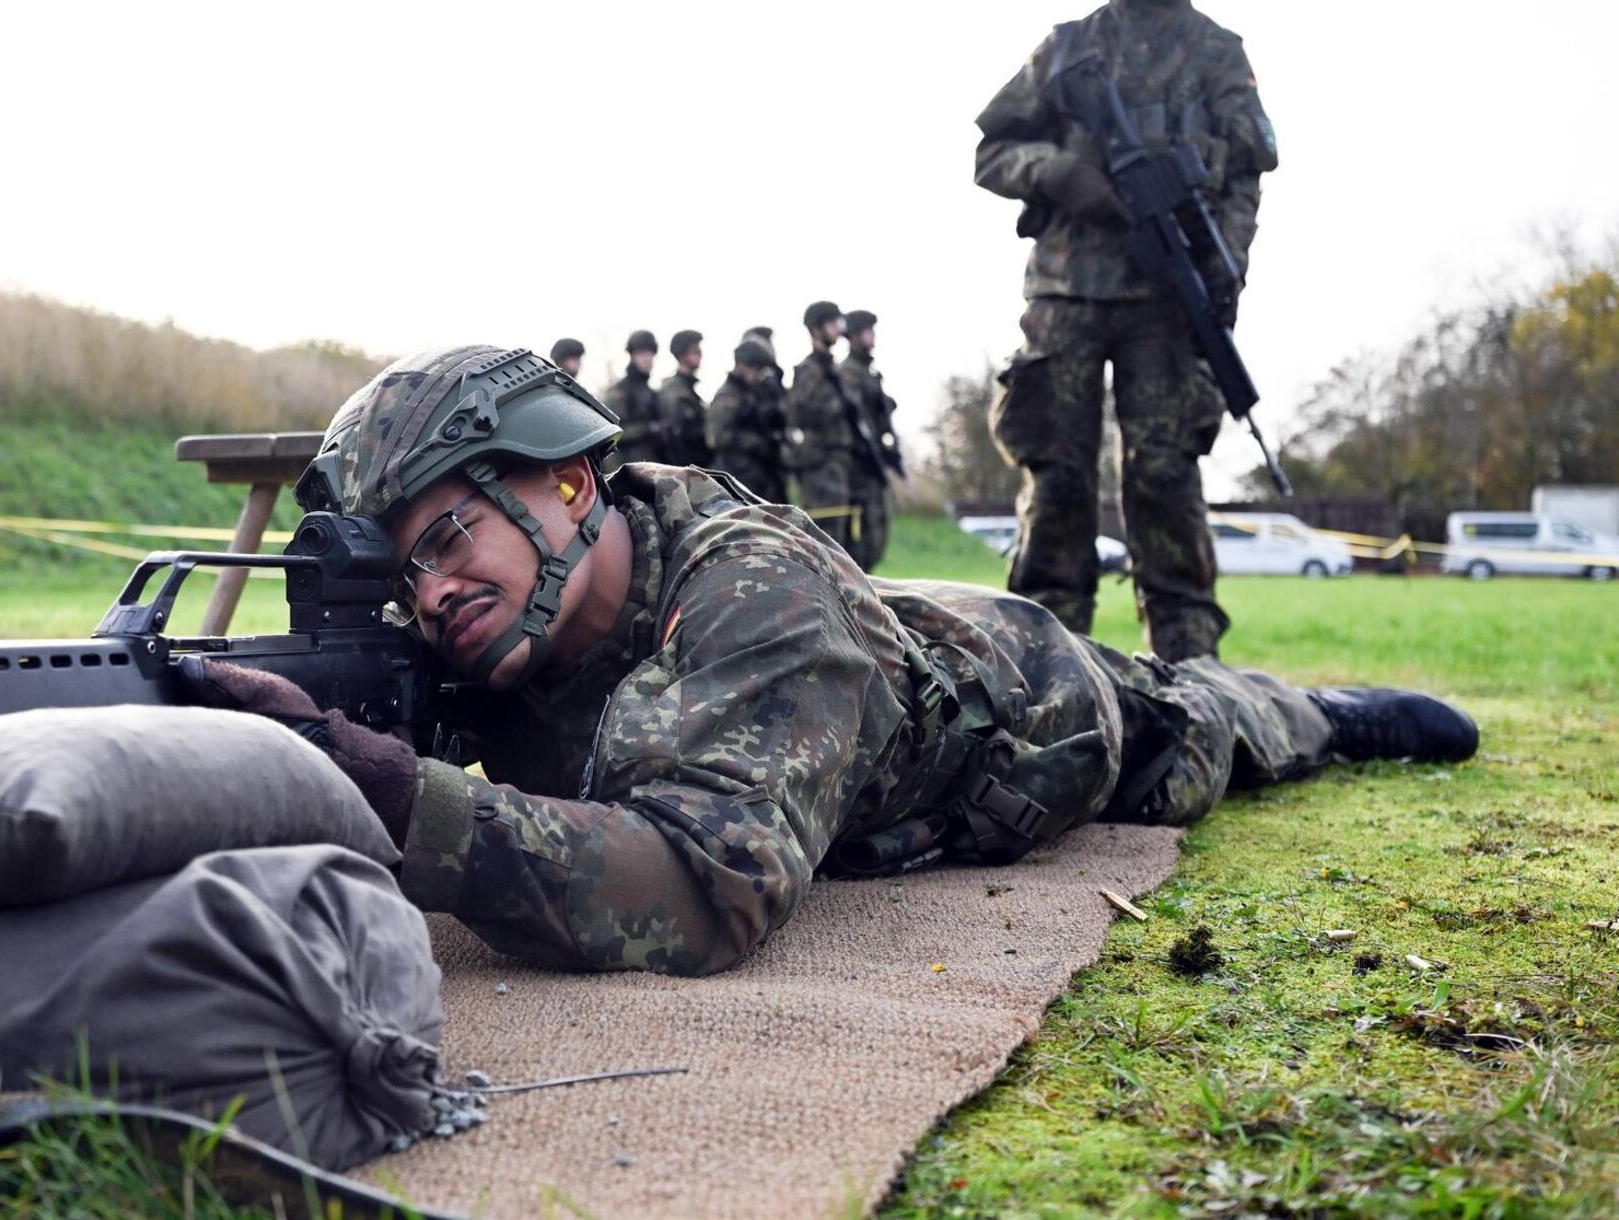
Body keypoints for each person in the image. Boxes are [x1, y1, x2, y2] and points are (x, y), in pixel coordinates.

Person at [190, 345, 1477, 977]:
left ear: (571, 483)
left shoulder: (757, 592)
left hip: (1024, 715)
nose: (431, 594)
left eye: (448, 537)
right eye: (403, 573)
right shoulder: (486, 624)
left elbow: (703, 888)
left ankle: (1316, 711)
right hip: (864, 650)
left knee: (1191, 727)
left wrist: (397, 800)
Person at [972, 0, 1277, 661]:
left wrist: (1227, 262)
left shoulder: (1216, 50)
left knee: (1165, 479)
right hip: (1066, 291)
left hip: (1167, 298)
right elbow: (992, 152)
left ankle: (1189, 671)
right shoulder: (1067, 46)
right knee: (1057, 479)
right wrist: (1058, 173)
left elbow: (1246, 173)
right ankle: (1043, 668)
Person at [786, 300, 881, 567]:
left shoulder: (833, 370)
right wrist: (839, 404)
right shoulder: (810, 370)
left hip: (840, 464)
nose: (838, 329)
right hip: (820, 465)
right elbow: (801, 414)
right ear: (816, 329)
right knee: (826, 539)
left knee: (846, 542)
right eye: (831, 323)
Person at [835, 308, 903, 569]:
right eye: (867, 331)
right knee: (862, 539)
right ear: (853, 336)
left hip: (873, 465)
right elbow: (854, 417)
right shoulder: (848, 372)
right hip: (858, 467)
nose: (872, 336)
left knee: (878, 534)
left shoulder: (869, 373)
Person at [705, 336, 788, 503]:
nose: (757, 375)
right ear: (742, 365)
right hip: (737, 476)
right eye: (755, 368)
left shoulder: (753, 393)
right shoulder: (727, 396)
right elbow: (715, 437)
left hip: (759, 475)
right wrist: (753, 442)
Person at [601, 329, 662, 469]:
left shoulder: (650, 392)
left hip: (651, 466)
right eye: (641, 354)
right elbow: (611, 433)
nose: (647, 359)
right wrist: (648, 428)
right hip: (627, 468)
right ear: (632, 356)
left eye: (650, 354)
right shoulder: (620, 392)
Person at [654, 330, 711, 469]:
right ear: (681, 354)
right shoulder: (673, 389)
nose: (700, 354)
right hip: (683, 468)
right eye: (695, 351)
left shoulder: (688, 388)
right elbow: (675, 434)